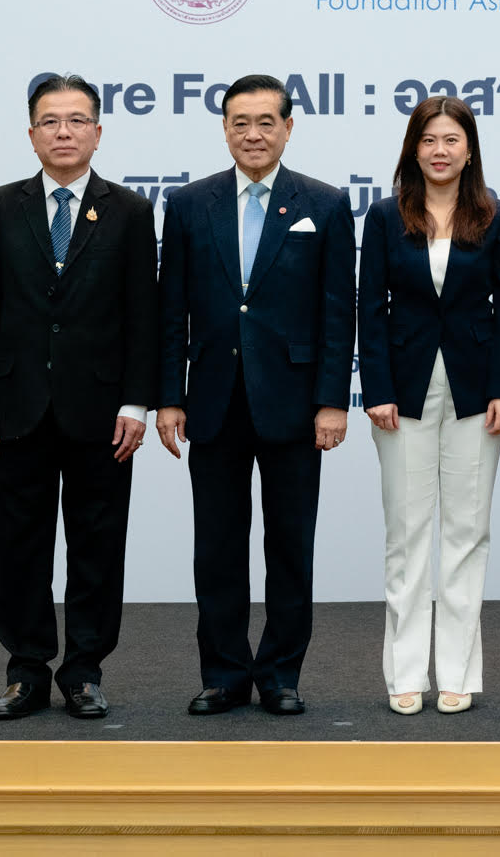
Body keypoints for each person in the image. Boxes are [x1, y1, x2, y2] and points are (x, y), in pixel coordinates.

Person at [0, 73, 158, 721]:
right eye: (50, 121)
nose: (63, 132)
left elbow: (143, 315)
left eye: (76, 121)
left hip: (103, 410)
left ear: (98, 132)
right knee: (20, 543)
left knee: (97, 545)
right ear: (31, 134)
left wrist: (136, 403)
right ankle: (25, 671)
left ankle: (84, 670)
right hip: (16, 406)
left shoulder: (130, 211)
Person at [156, 73, 356, 717]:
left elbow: (338, 312)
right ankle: (222, 674)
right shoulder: (189, 204)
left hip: (295, 402)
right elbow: (171, 310)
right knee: (216, 547)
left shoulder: (324, 204)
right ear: (224, 129)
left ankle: (280, 675)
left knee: (290, 547)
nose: (253, 134)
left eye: (266, 122)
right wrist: (169, 397)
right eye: (240, 122)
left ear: (288, 128)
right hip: (212, 399)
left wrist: (333, 400)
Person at [357, 96, 500, 716]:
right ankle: (405, 672)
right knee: (406, 534)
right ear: (413, 149)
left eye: (452, 139)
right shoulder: (384, 216)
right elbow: (369, 308)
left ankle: (456, 672)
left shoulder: (494, 216)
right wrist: (376, 389)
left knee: (466, 533)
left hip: (477, 391)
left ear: (469, 150)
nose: (440, 150)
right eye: (429, 140)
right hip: (401, 392)